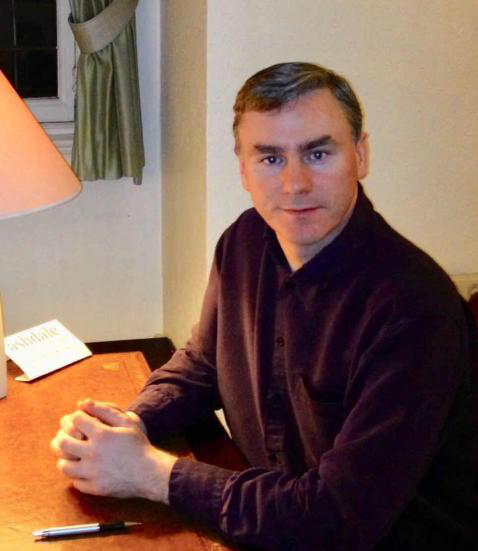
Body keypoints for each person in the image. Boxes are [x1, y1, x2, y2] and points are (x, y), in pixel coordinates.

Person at [51, 62, 478, 550]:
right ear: (243, 168)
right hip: (270, 526)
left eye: (318, 153)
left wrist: (152, 474)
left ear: (360, 155)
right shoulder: (245, 241)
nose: (295, 184)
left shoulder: (415, 309)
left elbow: (335, 519)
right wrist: (124, 428)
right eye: (270, 158)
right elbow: (204, 364)